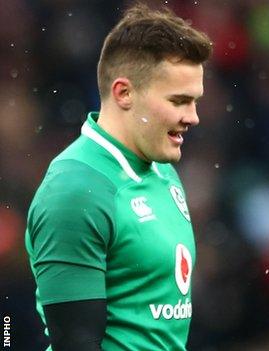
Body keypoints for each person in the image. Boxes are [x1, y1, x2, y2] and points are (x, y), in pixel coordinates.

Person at [25, 4, 212, 350]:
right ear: (124, 93)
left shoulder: (163, 170)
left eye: (195, 101)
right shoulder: (76, 191)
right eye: (179, 101)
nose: (193, 117)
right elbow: (76, 344)